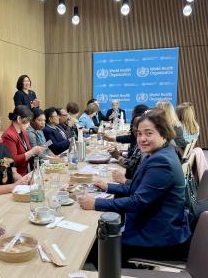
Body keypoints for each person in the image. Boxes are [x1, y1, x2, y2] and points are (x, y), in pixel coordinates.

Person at [79, 108, 191, 264]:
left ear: (164, 135)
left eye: (149, 133)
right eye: (139, 134)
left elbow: (138, 202)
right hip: (156, 224)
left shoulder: (162, 162)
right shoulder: (160, 153)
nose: (142, 138)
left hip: (159, 237)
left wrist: (96, 203)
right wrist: (108, 187)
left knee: (92, 248)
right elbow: (139, 187)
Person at [2, 106, 45, 176]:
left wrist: (36, 152)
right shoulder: (8, 135)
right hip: (16, 175)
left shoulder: (23, 132)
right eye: (27, 121)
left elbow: (28, 151)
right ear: (19, 119)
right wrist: (32, 152)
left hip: (27, 172)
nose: (29, 125)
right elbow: (13, 160)